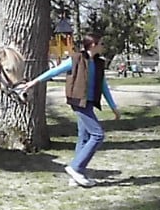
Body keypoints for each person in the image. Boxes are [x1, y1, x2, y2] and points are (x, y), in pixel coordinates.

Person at [22, 32, 121, 187]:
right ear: (93, 45)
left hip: (89, 102)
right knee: (97, 135)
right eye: (101, 44)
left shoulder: (99, 63)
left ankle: (75, 176)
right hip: (77, 101)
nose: (103, 47)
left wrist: (113, 107)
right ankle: (75, 168)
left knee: (84, 137)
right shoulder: (75, 59)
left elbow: (103, 87)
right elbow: (54, 71)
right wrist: (34, 82)